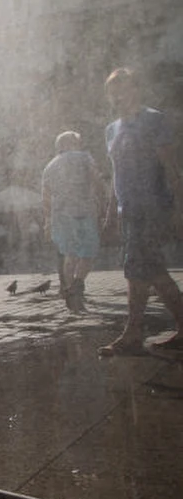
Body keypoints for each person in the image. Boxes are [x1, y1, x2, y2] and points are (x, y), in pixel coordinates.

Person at [98, 67, 183, 356]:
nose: (118, 95)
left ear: (136, 89)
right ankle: (144, 330)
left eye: (124, 88)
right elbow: (115, 175)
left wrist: (179, 209)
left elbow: (171, 169)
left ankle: (133, 333)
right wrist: (111, 212)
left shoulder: (154, 120)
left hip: (153, 205)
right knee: (145, 270)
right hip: (128, 210)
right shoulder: (111, 129)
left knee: (140, 268)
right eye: (113, 91)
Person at [41, 130, 103, 312]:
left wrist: (47, 221)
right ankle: (78, 283)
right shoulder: (84, 157)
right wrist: (102, 199)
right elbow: (96, 179)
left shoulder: (50, 166)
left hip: (61, 215)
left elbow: (45, 197)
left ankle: (70, 289)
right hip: (84, 211)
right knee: (89, 252)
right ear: (73, 144)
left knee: (70, 254)